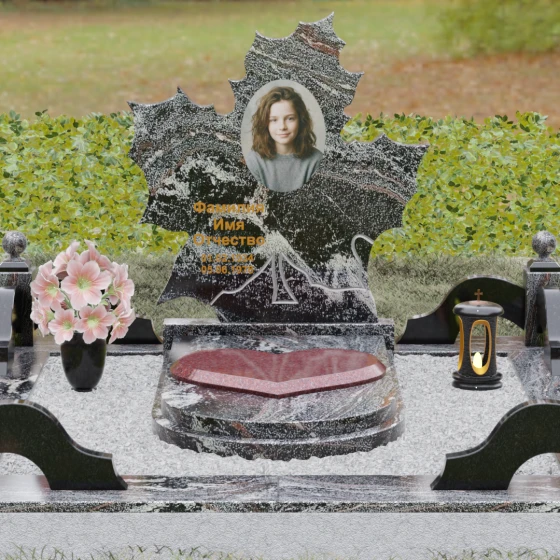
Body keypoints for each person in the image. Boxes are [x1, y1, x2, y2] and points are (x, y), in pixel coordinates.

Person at [245, 86, 323, 193]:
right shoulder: (254, 161)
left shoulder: (316, 161)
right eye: (274, 120)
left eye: (290, 118)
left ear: (301, 121)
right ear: (265, 123)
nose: (282, 127)